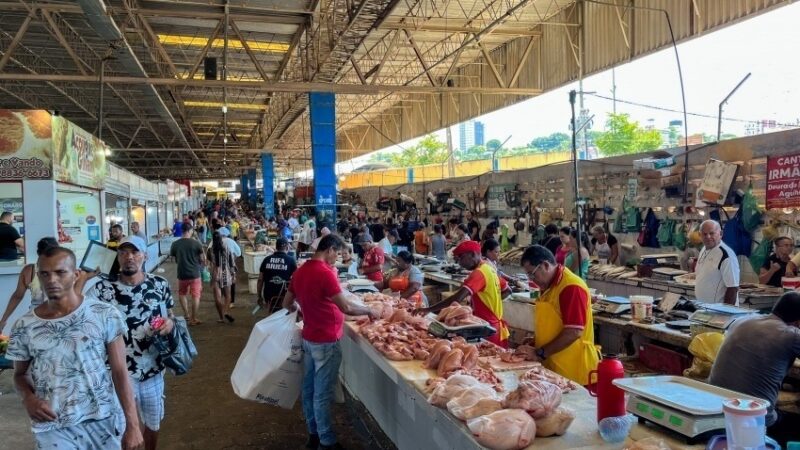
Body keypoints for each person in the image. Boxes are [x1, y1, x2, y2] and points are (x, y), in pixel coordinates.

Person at [5, 246, 144, 450]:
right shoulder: (25, 326)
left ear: (76, 275)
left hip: (103, 419)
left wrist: (133, 425)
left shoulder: (103, 314)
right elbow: (19, 375)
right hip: (52, 425)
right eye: (44, 274)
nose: (52, 280)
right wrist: (29, 399)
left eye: (60, 272)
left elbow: (120, 372)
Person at [282, 234, 378, 450]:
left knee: (308, 390)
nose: (338, 257)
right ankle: (327, 441)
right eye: (338, 253)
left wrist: (305, 311)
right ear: (330, 250)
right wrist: (370, 310)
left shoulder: (301, 271)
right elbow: (347, 308)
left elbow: (287, 303)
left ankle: (313, 434)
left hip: (308, 337)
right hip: (325, 340)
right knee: (321, 393)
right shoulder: (325, 273)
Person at [83, 236, 175, 450]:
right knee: (126, 425)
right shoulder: (101, 290)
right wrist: (83, 277)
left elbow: (169, 314)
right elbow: (79, 312)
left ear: (145, 255)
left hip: (153, 367)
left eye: (135, 252)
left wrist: (169, 323)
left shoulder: (159, 284)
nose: (129, 257)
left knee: (153, 422)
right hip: (118, 371)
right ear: (118, 256)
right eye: (124, 252)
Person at [709, 291, 800, 445]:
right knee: (794, 422)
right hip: (753, 421)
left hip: (714, 408)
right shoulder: (790, 335)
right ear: (798, 322)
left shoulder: (742, 320)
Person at [515, 245, 599, 385]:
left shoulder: (571, 287)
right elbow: (555, 322)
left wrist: (539, 353)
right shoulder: (548, 286)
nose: (531, 279)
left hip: (574, 370)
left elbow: (574, 332)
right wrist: (537, 341)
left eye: (532, 274)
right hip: (554, 365)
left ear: (546, 265)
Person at [418, 241, 512, 347]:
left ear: (472, 254)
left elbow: (457, 298)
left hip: (487, 330)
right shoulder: (489, 269)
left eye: (461, 258)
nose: (460, 264)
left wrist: (428, 309)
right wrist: (492, 301)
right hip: (493, 328)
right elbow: (507, 290)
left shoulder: (479, 273)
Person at [0, 237, 58, 333]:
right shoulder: (62, 271)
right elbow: (17, 296)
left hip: (36, 319)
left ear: (38, 252)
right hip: (55, 318)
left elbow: (17, 296)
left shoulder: (29, 270)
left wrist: (3, 320)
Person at [694, 220, 739, 305]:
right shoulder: (703, 249)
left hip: (718, 311)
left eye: (712, 233)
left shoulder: (726, 255)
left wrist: (726, 312)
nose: (708, 237)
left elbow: (733, 287)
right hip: (704, 307)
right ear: (700, 235)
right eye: (704, 234)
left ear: (721, 234)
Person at [170, 222, 206, 325]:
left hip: (182, 273)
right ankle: (193, 318)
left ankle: (186, 315)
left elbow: (173, 259)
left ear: (182, 230)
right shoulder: (196, 243)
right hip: (195, 274)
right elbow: (202, 259)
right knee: (196, 296)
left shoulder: (175, 244)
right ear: (190, 231)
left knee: (182, 294)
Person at [257, 238, 296, 311]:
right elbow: (297, 279)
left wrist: (259, 296)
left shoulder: (267, 259)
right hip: (284, 295)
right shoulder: (291, 260)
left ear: (276, 247)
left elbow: (260, 280)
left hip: (269, 295)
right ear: (287, 247)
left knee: (271, 312)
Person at [209, 229, 237, 323]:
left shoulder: (210, 250)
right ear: (221, 238)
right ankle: (225, 311)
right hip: (226, 274)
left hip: (215, 274)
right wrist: (233, 274)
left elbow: (209, 262)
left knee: (217, 298)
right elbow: (231, 262)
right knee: (228, 295)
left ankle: (221, 317)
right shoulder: (226, 248)